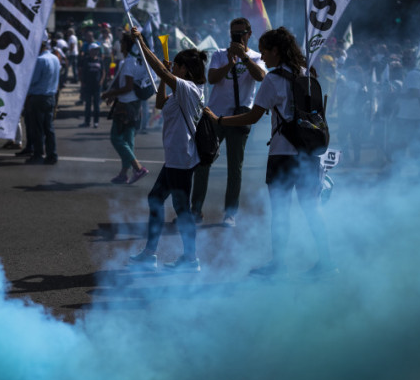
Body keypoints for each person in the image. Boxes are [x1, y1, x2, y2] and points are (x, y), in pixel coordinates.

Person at [203, 27, 333, 275]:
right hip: (309, 154)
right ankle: (327, 263)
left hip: (283, 155)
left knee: (281, 213)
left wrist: (220, 121)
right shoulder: (308, 74)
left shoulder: (273, 80)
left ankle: (278, 266)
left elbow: (252, 117)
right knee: (312, 211)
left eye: (264, 52)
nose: (262, 57)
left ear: (276, 51)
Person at [127, 27, 206, 272]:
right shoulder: (180, 91)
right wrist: (164, 78)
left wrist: (141, 40)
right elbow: (160, 103)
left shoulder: (190, 89)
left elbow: (161, 68)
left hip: (181, 159)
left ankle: (191, 259)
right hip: (175, 158)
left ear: (186, 70)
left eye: (178, 66)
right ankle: (151, 253)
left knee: (181, 209)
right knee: (156, 199)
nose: (174, 69)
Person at [190, 17, 266, 227]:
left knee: (235, 168)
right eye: (234, 33)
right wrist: (230, 63)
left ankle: (230, 213)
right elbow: (212, 78)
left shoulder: (256, 57)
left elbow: (261, 77)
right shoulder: (219, 54)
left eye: (241, 33)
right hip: (215, 116)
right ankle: (195, 210)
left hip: (240, 117)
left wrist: (244, 59)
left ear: (249, 34)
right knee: (203, 162)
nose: (238, 37)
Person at [100, 33, 149, 184]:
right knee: (128, 140)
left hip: (126, 105)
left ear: (127, 45)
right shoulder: (139, 61)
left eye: (122, 42)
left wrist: (110, 93)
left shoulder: (129, 62)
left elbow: (127, 87)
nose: (120, 45)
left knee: (116, 138)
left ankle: (138, 168)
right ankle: (123, 174)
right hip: (135, 104)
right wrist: (113, 95)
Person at [24, 38, 61, 165]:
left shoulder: (40, 60)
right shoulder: (54, 58)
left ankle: (38, 154)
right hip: (50, 96)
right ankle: (52, 154)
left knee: (37, 128)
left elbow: (33, 80)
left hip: (38, 96)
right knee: (49, 128)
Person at [79, 43, 104, 128]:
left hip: (97, 86)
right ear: (90, 51)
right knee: (88, 104)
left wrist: (101, 81)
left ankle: (96, 122)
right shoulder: (86, 60)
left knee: (96, 105)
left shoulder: (100, 60)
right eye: (94, 50)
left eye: (97, 50)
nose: (96, 52)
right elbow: (81, 71)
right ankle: (87, 121)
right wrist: (82, 81)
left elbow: (103, 72)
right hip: (88, 85)